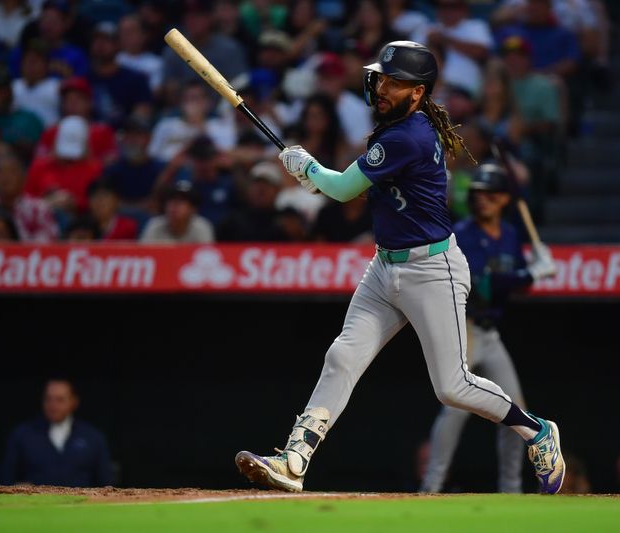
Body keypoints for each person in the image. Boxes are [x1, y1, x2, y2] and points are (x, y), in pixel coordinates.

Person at [235, 41, 565, 494]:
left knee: (452, 387)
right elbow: (364, 189)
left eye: (396, 82)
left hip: (433, 271)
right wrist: (319, 179)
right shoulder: (399, 130)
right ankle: (295, 460)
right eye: (383, 78)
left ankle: (537, 430)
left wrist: (307, 166)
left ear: (418, 93)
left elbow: (343, 187)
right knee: (342, 355)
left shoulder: (406, 135)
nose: (383, 87)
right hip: (384, 266)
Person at [420, 163, 556, 494]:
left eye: (490, 195)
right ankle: (432, 486)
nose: (482, 201)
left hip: (490, 333)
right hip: (463, 326)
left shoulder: (510, 234)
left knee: (515, 410)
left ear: (503, 200)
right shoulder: (463, 234)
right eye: (478, 194)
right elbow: (485, 284)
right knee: (455, 409)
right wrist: (534, 274)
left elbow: (515, 281)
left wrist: (535, 263)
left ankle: (511, 488)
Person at [0, 378, 113, 487]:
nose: (53, 405)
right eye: (48, 399)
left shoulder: (93, 437)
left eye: (60, 399)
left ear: (74, 402)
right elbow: (6, 478)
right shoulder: (23, 434)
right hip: (36, 505)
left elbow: (106, 483)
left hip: (80, 505)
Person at [0, 154, 59, 242]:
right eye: (1, 173)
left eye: (12, 172)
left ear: (23, 178)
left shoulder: (38, 209)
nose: (6, 177)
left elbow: (47, 244)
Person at [139, 180, 213, 244]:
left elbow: (207, 256)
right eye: (171, 201)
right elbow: (144, 256)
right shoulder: (155, 225)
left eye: (180, 202)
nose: (174, 206)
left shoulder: (202, 227)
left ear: (193, 209)